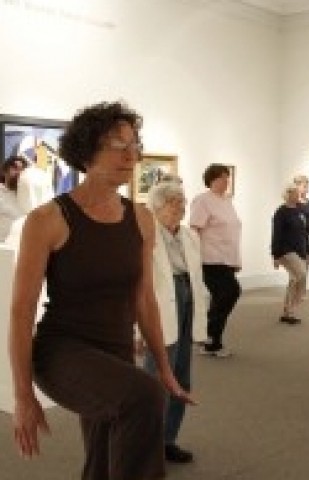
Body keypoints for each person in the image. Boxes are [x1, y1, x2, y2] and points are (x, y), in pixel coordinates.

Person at [8, 101, 194, 480]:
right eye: (117, 145)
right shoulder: (47, 220)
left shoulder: (140, 218)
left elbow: (144, 299)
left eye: (134, 145)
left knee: (105, 453)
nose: (130, 155)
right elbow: (21, 312)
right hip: (61, 352)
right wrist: (23, 396)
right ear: (87, 152)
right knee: (142, 397)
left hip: (116, 350)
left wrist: (164, 367)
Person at [143, 181, 208, 464]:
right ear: (157, 208)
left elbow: (196, 274)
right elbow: (138, 285)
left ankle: (167, 440)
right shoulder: (146, 235)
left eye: (182, 202)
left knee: (181, 375)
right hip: (160, 307)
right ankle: (146, 445)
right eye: (173, 203)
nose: (180, 208)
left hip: (187, 299)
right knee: (157, 377)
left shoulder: (190, 235)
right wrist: (137, 328)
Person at [189, 163, 242, 357]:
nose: (226, 181)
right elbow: (194, 229)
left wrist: (236, 261)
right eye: (221, 177)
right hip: (210, 258)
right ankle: (207, 336)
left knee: (221, 297)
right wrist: (193, 258)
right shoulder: (203, 200)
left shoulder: (227, 201)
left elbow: (231, 230)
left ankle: (211, 340)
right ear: (211, 180)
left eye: (227, 177)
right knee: (231, 292)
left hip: (227, 258)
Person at [271, 183, 309, 325]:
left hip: (299, 249)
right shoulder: (281, 212)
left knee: (295, 278)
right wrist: (275, 255)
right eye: (294, 192)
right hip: (286, 250)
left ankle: (288, 311)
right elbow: (276, 234)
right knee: (301, 274)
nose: (297, 194)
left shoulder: (300, 209)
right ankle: (289, 309)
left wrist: (306, 250)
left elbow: (303, 231)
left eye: (297, 192)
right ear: (287, 194)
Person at [0, 156, 27, 243]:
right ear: (4, 171)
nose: (19, 173)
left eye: (22, 170)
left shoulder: (26, 195)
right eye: (15, 168)